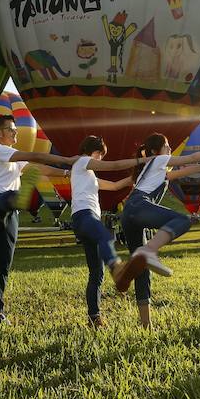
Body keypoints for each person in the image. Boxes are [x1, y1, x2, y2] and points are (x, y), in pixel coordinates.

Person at [0, 114, 77, 324]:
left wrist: (67, 172)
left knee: (3, 264)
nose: (16, 132)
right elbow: (37, 157)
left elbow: (40, 169)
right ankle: (18, 198)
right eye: (11, 129)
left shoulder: (14, 156)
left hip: (9, 214)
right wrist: (66, 159)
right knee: (7, 197)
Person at [119, 133, 200, 328]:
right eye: (167, 146)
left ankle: (146, 325)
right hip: (140, 205)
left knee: (141, 270)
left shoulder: (155, 171)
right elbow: (191, 158)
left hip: (129, 214)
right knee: (183, 220)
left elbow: (188, 169)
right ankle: (149, 251)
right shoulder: (159, 159)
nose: (169, 149)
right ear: (155, 151)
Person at [68, 135, 142, 327]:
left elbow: (116, 185)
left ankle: (94, 318)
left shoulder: (89, 175)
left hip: (86, 219)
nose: (101, 160)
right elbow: (114, 166)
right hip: (85, 216)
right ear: (95, 152)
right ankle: (117, 268)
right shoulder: (83, 162)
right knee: (104, 235)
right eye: (101, 155)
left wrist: (135, 177)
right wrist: (141, 160)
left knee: (96, 273)